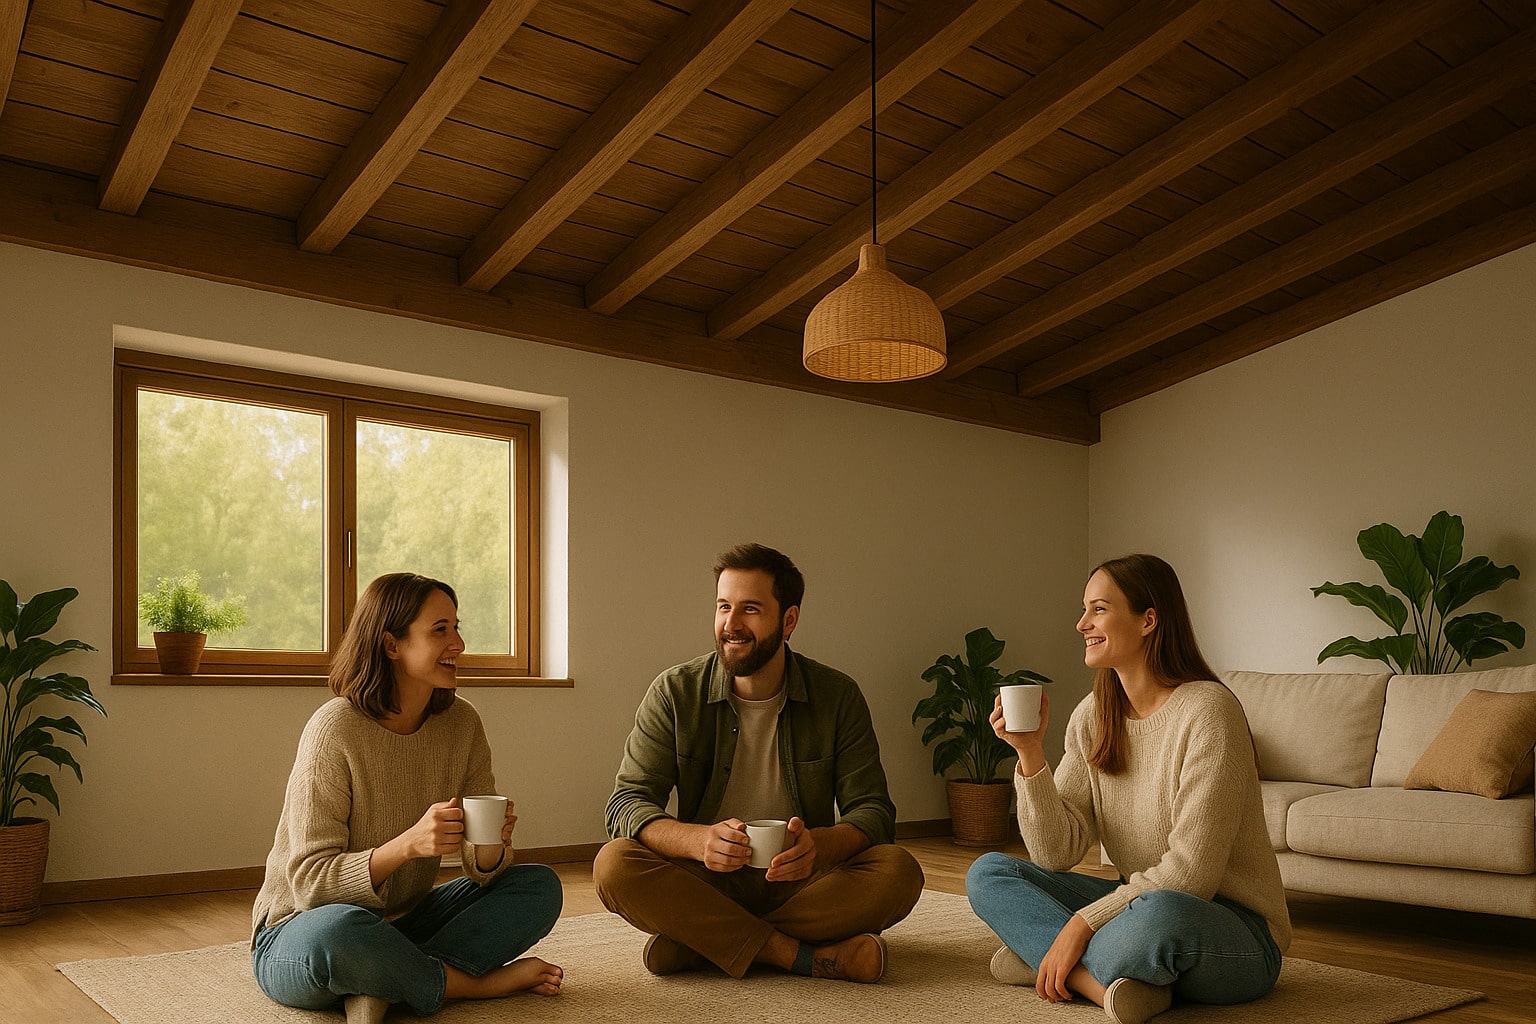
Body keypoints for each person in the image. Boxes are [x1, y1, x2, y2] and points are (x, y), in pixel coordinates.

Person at [966, 554, 1289, 1024]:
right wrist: (1030, 754)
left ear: (1148, 621)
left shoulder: (1208, 712)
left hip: (1230, 931)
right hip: (1135, 907)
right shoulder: (1092, 716)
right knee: (988, 873)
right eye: (1084, 609)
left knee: (1160, 917)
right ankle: (1103, 985)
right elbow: (1056, 853)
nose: (1081, 624)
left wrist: (1080, 925)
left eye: (1098, 609)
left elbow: (1191, 877)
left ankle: (1050, 960)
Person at [595, 543, 925, 983]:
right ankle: (794, 955)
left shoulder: (837, 696)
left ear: (788, 620)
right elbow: (626, 804)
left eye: (750, 609)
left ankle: (702, 941)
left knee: (900, 872)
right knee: (613, 865)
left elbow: (875, 813)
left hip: (800, 884)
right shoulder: (674, 692)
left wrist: (817, 847)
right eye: (723, 606)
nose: (731, 625)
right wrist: (698, 842)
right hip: (705, 878)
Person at [251, 573, 564, 1024]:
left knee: (538, 886)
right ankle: (471, 985)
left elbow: (481, 867)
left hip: (405, 923)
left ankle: (384, 981)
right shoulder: (334, 730)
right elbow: (309, 885)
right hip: (297, 931)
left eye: (457, 628)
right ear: (391, 644)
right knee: (342, 932)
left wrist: (492, 844)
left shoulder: (462, 724)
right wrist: (407, 846)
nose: (457, 643)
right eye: (440, 630)